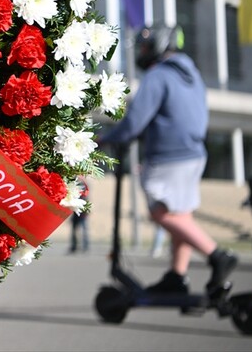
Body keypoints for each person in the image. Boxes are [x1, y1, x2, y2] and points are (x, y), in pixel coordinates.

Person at [99, 24, 237, 296]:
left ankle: (218, 255)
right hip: (194, 154)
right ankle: (177, 275)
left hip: (168, 157)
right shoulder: (192, 74)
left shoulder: (158, 75)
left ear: (159, 46)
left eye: (146, 46)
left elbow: (135, 120)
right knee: (181, 215)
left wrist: (109, 138)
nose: (143, 52)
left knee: (160, 213)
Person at [68, 177, 90, 254]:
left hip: (81, 209)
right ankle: (75, 246)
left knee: (83, 228)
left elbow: (85, 197)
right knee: (76, 228)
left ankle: (84, 245)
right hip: (77, 208)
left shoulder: (82, 183)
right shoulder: (81, 182)